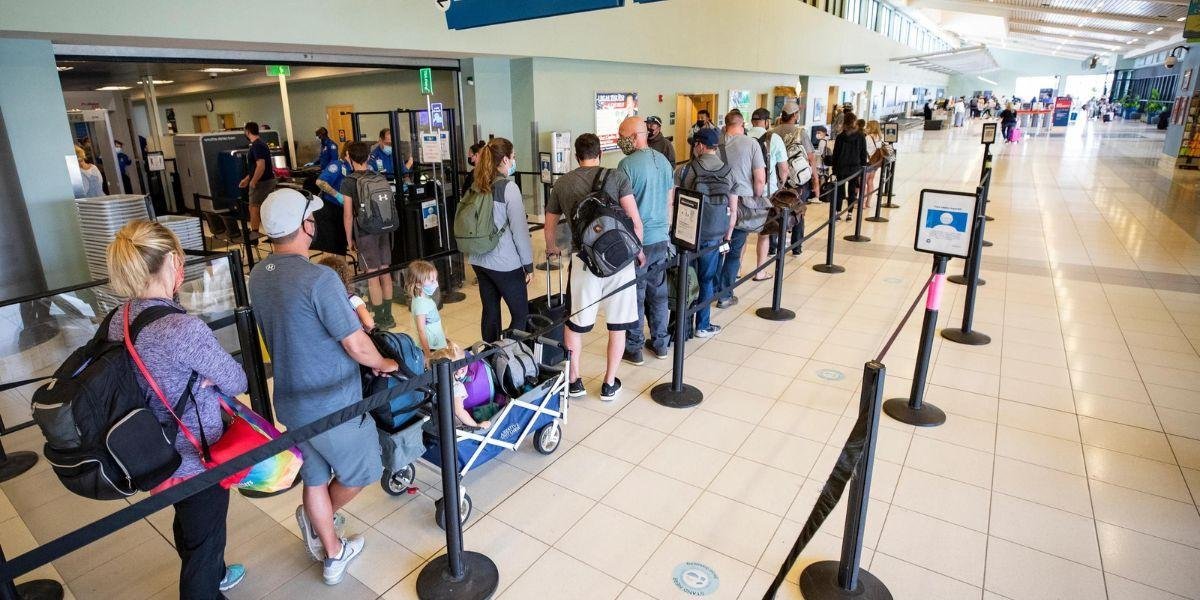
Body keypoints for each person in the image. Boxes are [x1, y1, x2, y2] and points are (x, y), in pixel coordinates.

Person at [249, 188, 399, 585]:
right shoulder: (320, 278)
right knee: (362, 469)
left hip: (291, 400)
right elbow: (355, 342)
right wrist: (385, 362)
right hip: (332, 400)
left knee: (315, 475)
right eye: (310, 217)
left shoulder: (257, 275)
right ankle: (320, 523)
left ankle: (333, 552)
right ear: (303, 226)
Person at [105, 220, 248, 599]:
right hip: (195, 456)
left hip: (151, 451)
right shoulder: (180, 328)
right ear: (171, 261)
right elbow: (237, 380)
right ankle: (206, 585)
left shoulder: (120, 318)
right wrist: (212, 378)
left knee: (187, 522)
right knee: (205, 541)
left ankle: (214, 574)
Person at [545, 132, 644, 400]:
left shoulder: (563, 183)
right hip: (619, 261)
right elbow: (635, 221)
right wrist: (639, 250)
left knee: (575, 324)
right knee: (618, 325)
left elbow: (550, 220)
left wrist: (552, 247)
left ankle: (575, 381)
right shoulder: (617, 177)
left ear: (576, 156)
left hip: (583, 261)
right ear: (599, 153)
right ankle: (609, 384)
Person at [616, 116, 674, 364]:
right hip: (661, 238)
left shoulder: (626, 165)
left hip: (637, 242)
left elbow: (622, 208)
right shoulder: (663, 161)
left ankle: (635, 348)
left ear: (635, 135)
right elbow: (670, 201)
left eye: (622, 135)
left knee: (636, 297)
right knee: (659, 295)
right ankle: (661, 344)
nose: (620, 141)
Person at [467, 138, 534, 343]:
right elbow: (520, 231)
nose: (514, 161)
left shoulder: (477, 183)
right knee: (520, 314)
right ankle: (510, 357)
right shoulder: (508, 188)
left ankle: (490, 357)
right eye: (513, 157)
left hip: (479, 260)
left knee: (490, 311)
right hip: (505, 264)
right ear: (505, 159)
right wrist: (528, 265)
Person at [676, 128, 734, 338]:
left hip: (688, 235)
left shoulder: (686, 170)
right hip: (715, 234)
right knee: (706, 280)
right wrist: (727, 235)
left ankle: (682, 328)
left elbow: (673, 201)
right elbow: (733, 208)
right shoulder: (727, 171)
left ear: (700, 145)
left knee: (685, 278)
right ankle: (703, 325)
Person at [340, 141, 396, 329]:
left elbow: (348, 214)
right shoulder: (378, 176)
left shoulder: (349, 181)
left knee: (372, 274)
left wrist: (349, 239)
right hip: (384, 228)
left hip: (365, 232)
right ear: (368, 156)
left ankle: (380, 318)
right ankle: (389, 315)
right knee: (385, 271)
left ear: (349, 157)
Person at [715, 111, 765, 310]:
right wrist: (757, 197)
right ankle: (725, 294)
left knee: (718, 248)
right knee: (734, 250)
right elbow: (759, 178)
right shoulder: (751, 144)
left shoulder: (716, 146)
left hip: (718, 203)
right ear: (742, 124)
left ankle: (712, 289)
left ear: (726, 125)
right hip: (743, 203)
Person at [770, 100, 818, 254]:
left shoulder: (772, 132)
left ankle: (773, 246)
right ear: (795, 115)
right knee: (798, 210)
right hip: (799, 180)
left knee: (774, 211)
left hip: (777, 178)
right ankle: (796, 247)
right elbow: (811, 158)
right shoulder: (800, 133)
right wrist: (816, 180)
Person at [746, 108, 788, 277]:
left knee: (741, 234)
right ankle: (760, 272)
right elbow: (784, 169)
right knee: (764, 234)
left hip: (744, 192)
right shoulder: (774, 138)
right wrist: (780, 185)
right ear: (766, 121)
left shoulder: (743, 137)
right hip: (767, 192)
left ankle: (736, 272)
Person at [431, 342, 491, 430]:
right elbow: (459, 412)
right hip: (453, 429)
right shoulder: (456, 387)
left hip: (435, 420)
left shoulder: (434, 380)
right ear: (460, 371)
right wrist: (476, 426)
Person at [237, 122, 276, 233]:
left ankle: (254, 235)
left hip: (262, 183)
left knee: (254, 208)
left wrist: (253, 181)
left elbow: (261, 166)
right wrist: (247, 179)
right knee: (254, 208)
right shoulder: (258, 145)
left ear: (247, 132)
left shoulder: (257, 145)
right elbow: (255, 167)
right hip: (263, 181)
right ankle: (258, 232)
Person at [318, 255, 374, 331]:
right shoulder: (353, 299)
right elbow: (368, 323)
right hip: (354, 338)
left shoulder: (319, 300)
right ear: (345, 277)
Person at [405, 260, 447, 356]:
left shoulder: (424, 298)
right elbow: (421, 330)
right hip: (432, 347)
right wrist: (428, 354)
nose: (436, 283)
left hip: (436, 343)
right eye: (432, 281)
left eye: (436, 279)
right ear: (418, 284)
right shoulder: (421, 304)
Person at [831, 113, 868, 221]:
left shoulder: (840, 137)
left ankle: (837, 212)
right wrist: (863, 167)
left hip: (841, 168)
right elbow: (863, 153)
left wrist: (834, 169)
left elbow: (836, 154)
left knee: (840, 191)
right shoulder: (861, 136)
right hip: (855, 168)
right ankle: (850, 213)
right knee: (852, 191)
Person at [862, 120, 884, 208]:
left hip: (868, 162)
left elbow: (863, 149)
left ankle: (862, 203)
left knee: (863, 183)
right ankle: (868, 202)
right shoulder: (880, 137)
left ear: (871, 127)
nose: (866, 128)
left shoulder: (868, 138)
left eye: (868, 126)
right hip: (875, 162)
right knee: (870, 182)